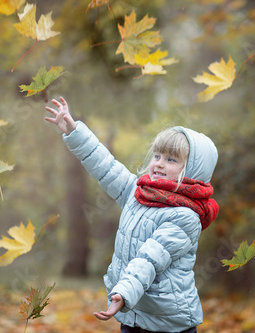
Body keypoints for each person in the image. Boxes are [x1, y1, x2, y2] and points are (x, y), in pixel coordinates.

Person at [45, 96, 219, 333]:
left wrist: (124, 293)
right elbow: (107, 167)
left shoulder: (185, 217)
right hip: (134, 314)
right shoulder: (139, 194)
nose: (158, 163)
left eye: (171, 160)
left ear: (192, 171)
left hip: (168, 322)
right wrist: (74, 131)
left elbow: (150, 259)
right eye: (157, 156)